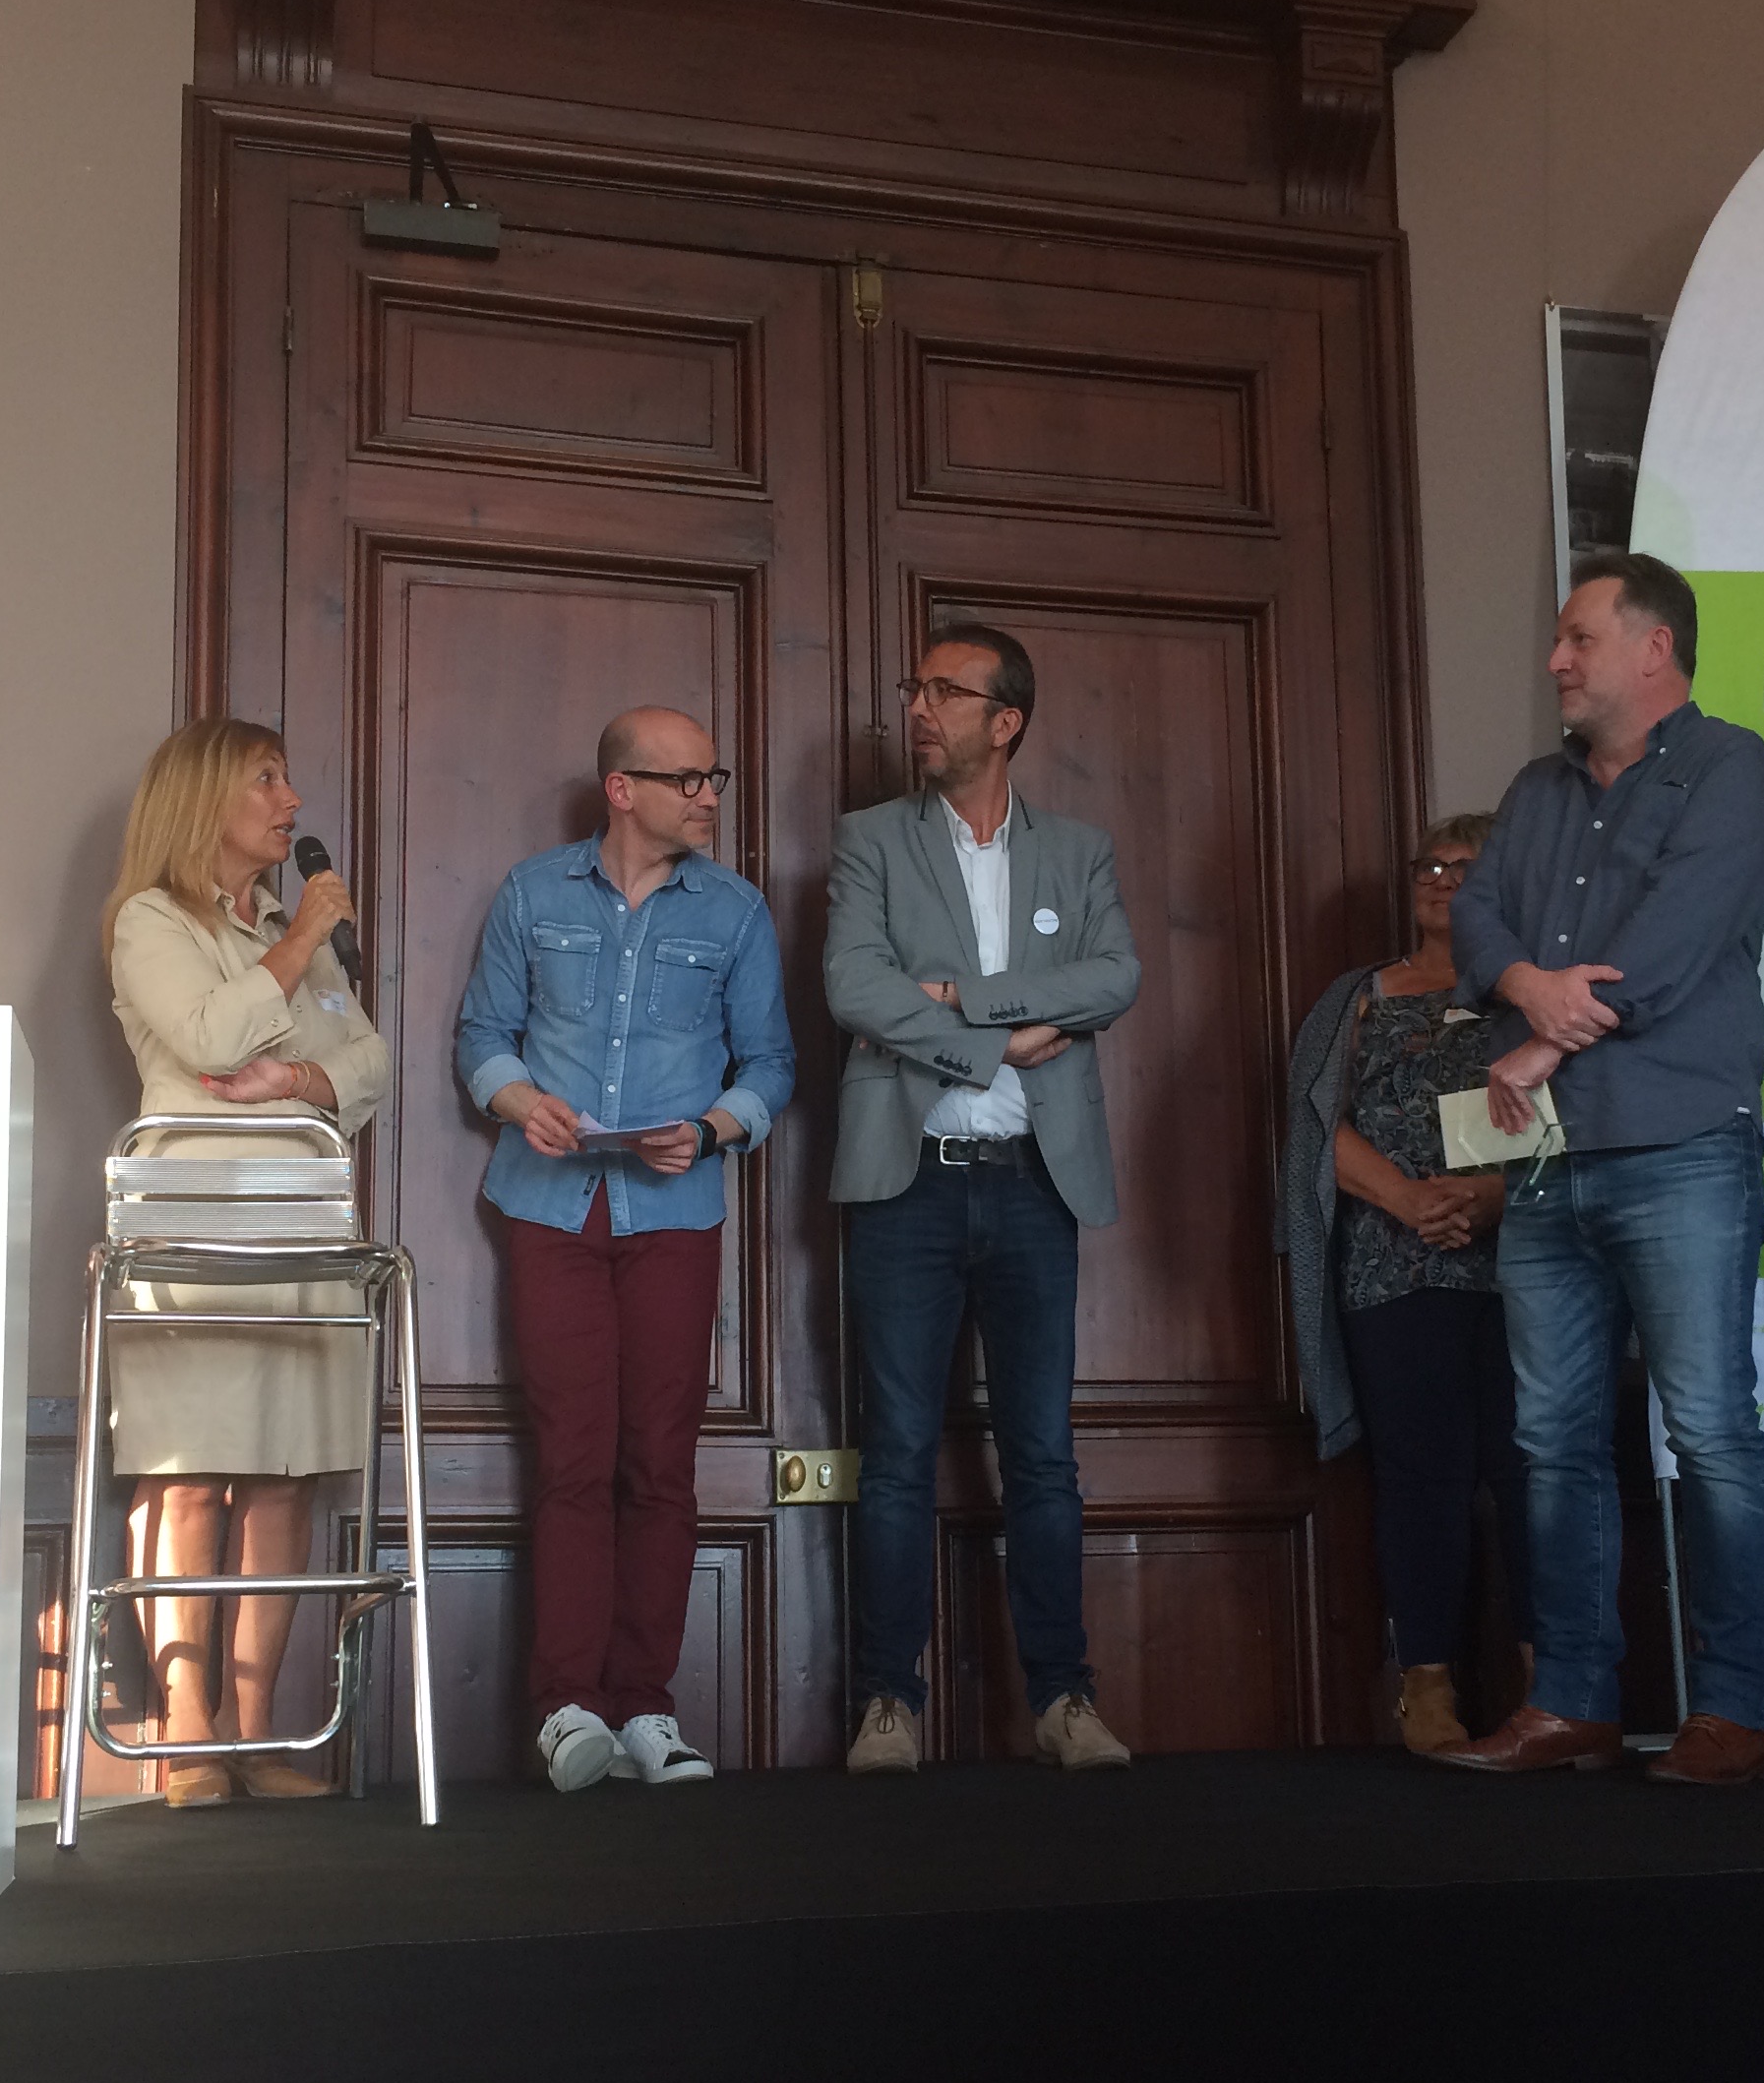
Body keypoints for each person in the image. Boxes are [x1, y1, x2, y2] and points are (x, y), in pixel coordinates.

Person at [1437, 551, 1764, 1787]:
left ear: (1655, 648)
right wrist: (1526, 987)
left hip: (1682, 1146)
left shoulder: (1731, 767)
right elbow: (1476, 915)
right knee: (1552, 1440)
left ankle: (1731, 1711)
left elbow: (1675, 943)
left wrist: (1543, 1035)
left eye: (1578, 638)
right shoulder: (1537, 789)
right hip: (1547, 1160)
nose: (1555, 661)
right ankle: (1572, 1702)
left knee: (1709, 1431)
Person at [452, 708, 793, 1793]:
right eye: (687, 778)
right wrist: (521, 1102)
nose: (709, 795)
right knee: (571, 1457)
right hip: (549, 1213)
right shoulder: (531, 893)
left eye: (713, 777)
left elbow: (772, 1064)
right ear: (622, 789)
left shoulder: (737, 912)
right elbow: (481, 1036)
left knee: (659, 1463)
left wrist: (714, 1129)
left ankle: (646, 1705)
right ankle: (566, 1709)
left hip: (675, 1218)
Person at [825, 624, 1142, 1774]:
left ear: (1006, 721)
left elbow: (1115, 975)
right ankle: (887, 1704)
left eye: (946, 692)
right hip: (907, 1184)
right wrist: (1002, 1041)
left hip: (1033, 1187)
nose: (919, 707)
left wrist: (970, 999)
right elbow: (856, 986)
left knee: (1043, 1455)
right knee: (898, 1453)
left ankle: (1065, 1700)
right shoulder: (870, 839)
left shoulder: (1079, 850)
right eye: (915, 687)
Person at [106, 720, 391, 1807]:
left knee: (281, 1471)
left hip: (302, 1217)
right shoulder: (151, 920)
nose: (291, 798)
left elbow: (369, 1061)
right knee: (186, 1470)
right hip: (190, 1216)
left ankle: (256, 1733)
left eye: (286, 776)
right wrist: (302, 939)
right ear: (202, 801)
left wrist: (299, 1083)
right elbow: (210, 1039)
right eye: (266, 779)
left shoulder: (288, 927)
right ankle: (187, 1733)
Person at [1282, 815, 1530, 1755]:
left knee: (1536, 1472)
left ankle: (1556, 1681)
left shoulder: (1534, 995)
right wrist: (1410, 1200)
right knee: (1421, 1478)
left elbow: (1581, 1122)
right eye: (1429, 864)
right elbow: (1315, 1124)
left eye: (1463, 866)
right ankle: (1426, 1686)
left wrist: (1490, 1199)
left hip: (1525, 1268)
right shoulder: (1358, 996)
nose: (1439, 878)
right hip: (1396, 1266)